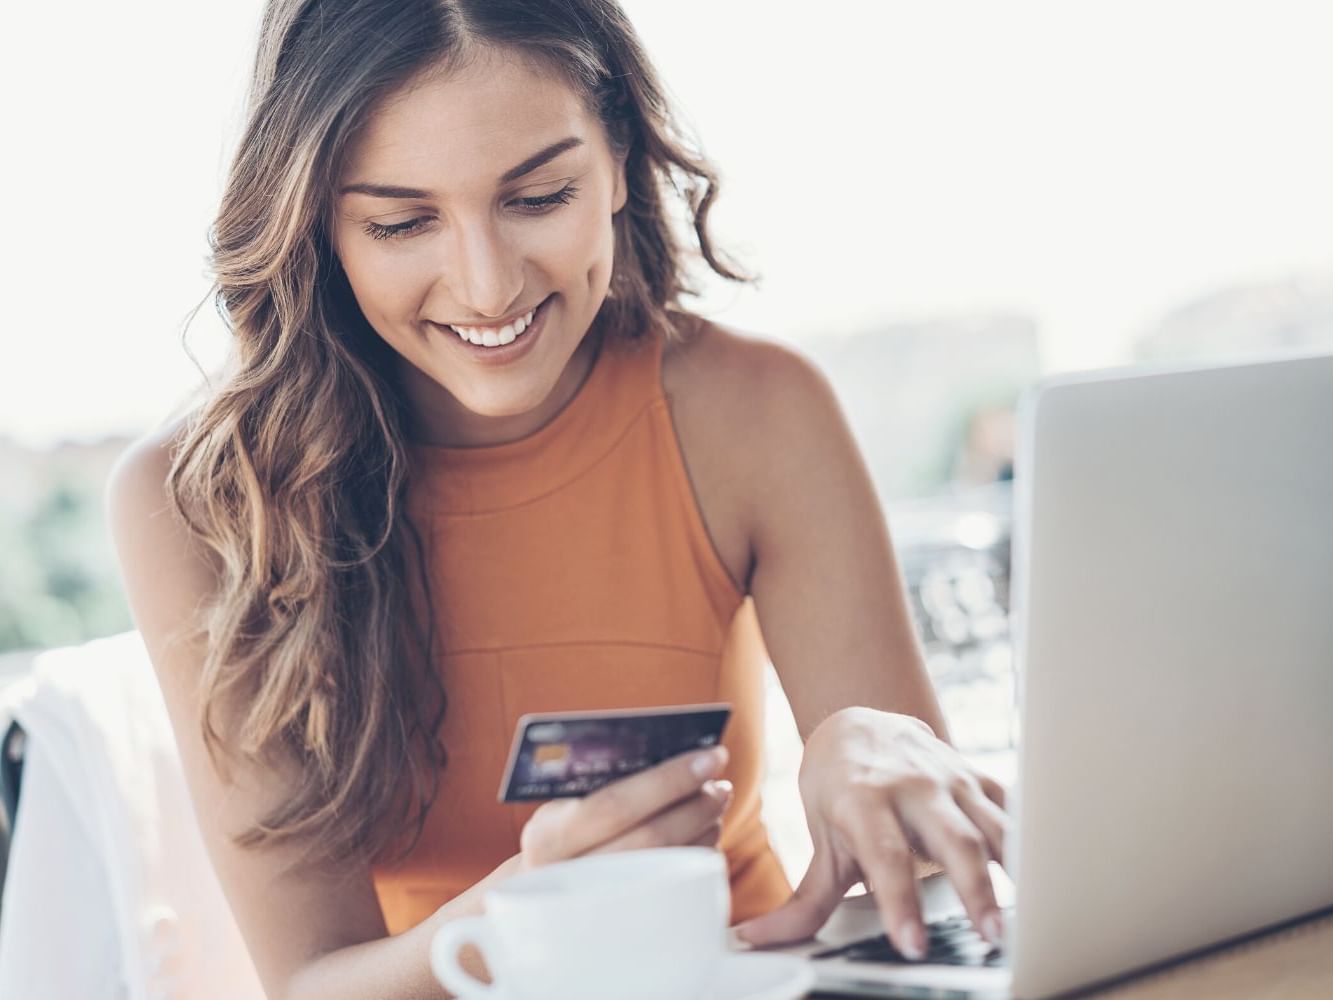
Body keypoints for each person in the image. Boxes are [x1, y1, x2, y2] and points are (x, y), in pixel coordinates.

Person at [106, 1, 1011, 996]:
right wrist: (528, 908)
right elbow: (313, 982)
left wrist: (867, 747)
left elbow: (935, 877)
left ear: (617, 156)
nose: (487, 287)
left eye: (538, 196)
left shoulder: (753, 410)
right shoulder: (199, 503)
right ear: (316, 221)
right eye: (402, 222)